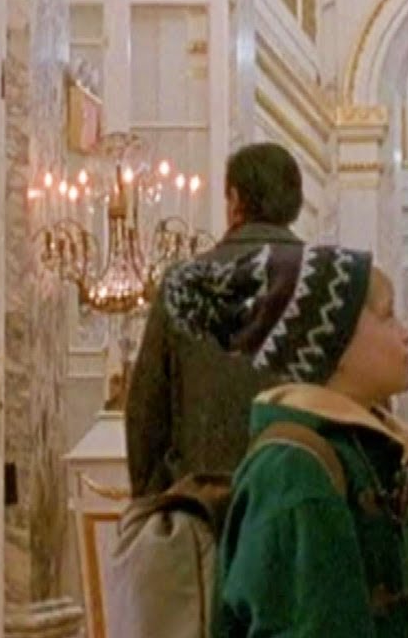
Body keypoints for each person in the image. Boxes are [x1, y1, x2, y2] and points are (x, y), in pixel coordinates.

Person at [161, 242, 408, 637]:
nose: (406, 333)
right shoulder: (295, 471)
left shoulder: (361, 448)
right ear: (335, 343)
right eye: (387, 315)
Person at [126, 142, 304, 497]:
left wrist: (153, 500)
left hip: (203, 504)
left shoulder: (185, 281)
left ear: (234, 201)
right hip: (300, 504)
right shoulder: (326, 279)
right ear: (295, 202)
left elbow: (146, 410)